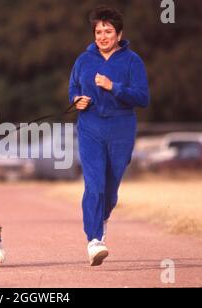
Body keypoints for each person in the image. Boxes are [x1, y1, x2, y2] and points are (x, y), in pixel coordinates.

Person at [68, 6, 149, 266]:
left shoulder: (132, 60)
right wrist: (76, 100)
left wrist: (114, 86)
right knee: (94, 184)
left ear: (119, 33)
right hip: (90, 126)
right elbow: (74, 88)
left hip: (121, 128)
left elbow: (142, 97)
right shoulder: (83, 60)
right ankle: (94, 240)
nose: (103, 36)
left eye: (108, 31)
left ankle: (101, 219)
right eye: (98, 31)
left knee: (110, 190)